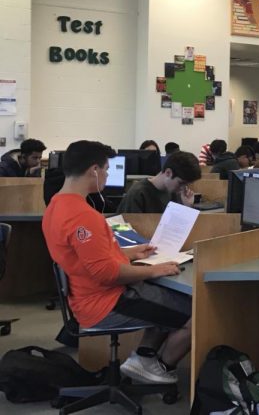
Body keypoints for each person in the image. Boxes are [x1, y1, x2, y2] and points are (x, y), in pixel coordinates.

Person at [43, 140, 190, 385]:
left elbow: (86, 257)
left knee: (166, 298)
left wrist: (130, 253)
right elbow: (107, 273)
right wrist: (154, 271)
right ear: (94, 170)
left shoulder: (56, 206)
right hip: (104, 303)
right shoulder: (83, 216)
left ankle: (143, 358)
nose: (108, 174)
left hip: (86, 296)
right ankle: (161, 367)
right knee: (194, 312)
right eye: (106, 169)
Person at [117, 151, 202, 213]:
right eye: (181, 183)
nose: (183, 188)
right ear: (168, 173)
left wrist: (187, 207)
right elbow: (127, 231)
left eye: (187, 184)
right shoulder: (138, 193)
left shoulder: (174, 193)